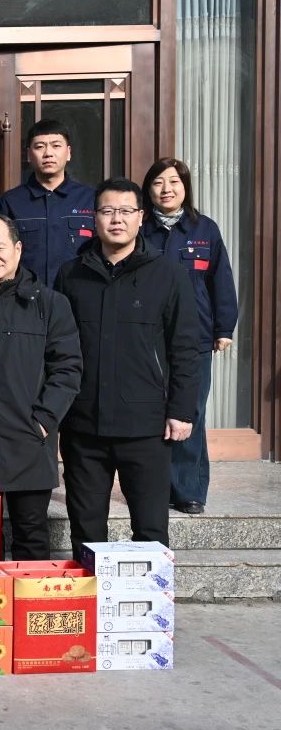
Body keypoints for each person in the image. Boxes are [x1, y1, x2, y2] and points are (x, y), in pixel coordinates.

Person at [55, 178, 199, 557]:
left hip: (146, 427)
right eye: (107, 211)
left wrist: (182, 410)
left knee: (150, 530)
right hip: (83, 426)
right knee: (86, 530)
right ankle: (90, 593)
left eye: (125, 211)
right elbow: (57, 349)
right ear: (94, 217)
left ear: (141, 217)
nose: (116, 219)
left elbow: (186, 347)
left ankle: (150, 598)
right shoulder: (71, 275)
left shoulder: (168, 274)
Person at [0, 215, 83, 560]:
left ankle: (28, 598)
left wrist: (43, 421)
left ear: (18, 249)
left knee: (31, 536)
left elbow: (67, 368)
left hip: (28, 440)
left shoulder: (49, 304)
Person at [140, 157, 239, 515]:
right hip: (147, 337)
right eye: (158, 183)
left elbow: (220, 280)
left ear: (185, 187)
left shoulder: (205, 229)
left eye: (174, 182)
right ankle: (155, 487)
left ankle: (189, 490)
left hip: (194, 337)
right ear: (148, 190)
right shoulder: (140, 229)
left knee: (190, 411)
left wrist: (223, 327)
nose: (166, 189)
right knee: (151, 411)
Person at [0, 119, 96, 288]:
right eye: (40, 146)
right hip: (26, 294)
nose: (48, 153)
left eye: (56, 146)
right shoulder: (10, 202)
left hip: (79, 293)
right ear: (29, 155)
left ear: (68, 152)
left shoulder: (89, 199)